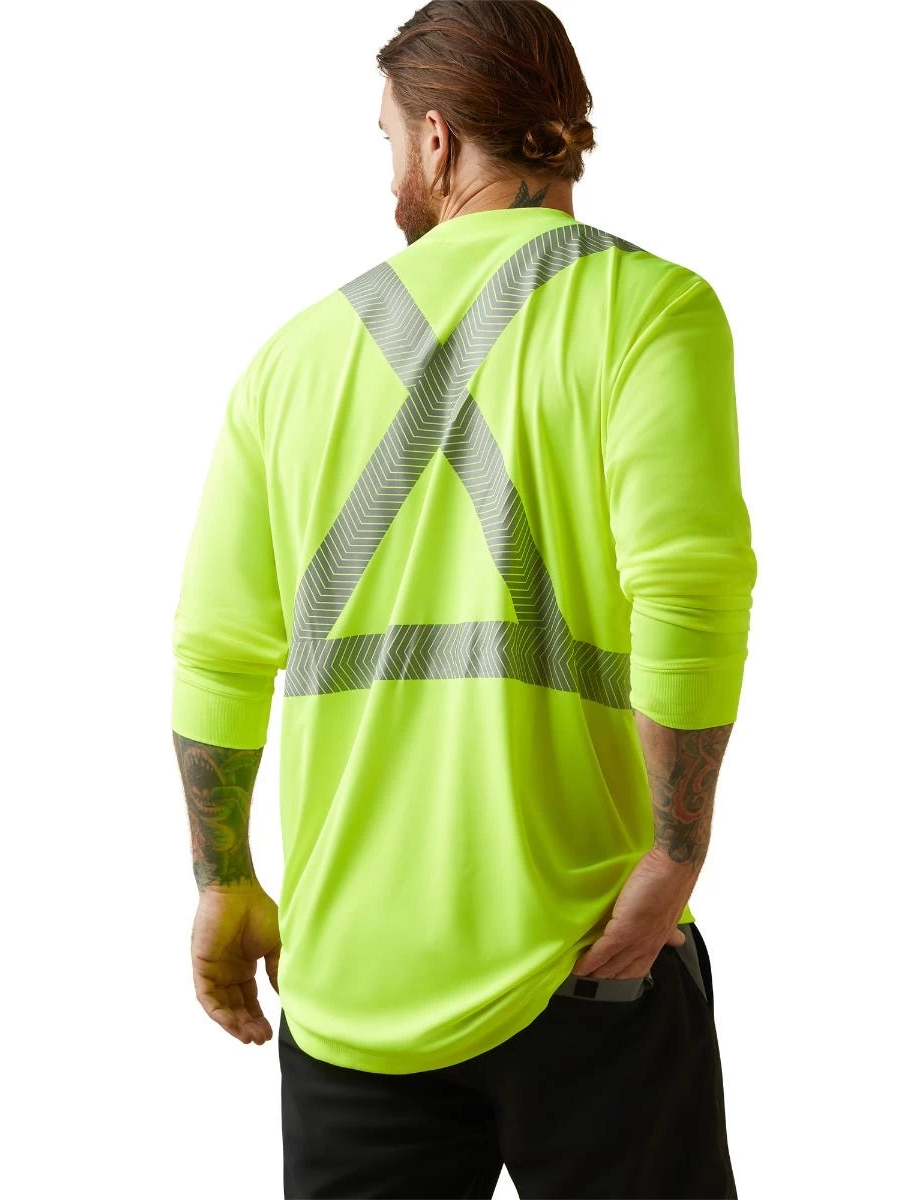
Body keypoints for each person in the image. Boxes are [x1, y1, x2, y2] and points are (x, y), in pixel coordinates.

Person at [170, 2, 756, 1195]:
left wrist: (224, 880)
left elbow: (217, 653)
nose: (390, 168)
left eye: (388, 138)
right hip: (592, 953)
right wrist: (675, 856)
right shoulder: (649, 310)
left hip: (352, 991)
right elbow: (688, 591)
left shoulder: (290, 362)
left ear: (437, 141)